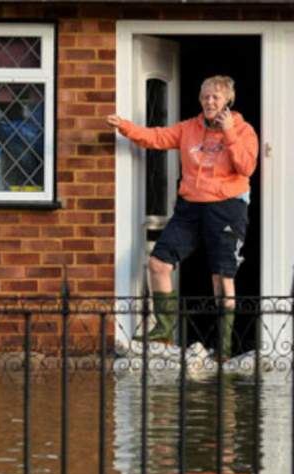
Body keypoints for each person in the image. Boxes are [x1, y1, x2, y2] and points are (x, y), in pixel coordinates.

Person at [107, 75, 259, 357]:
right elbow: (156, 137)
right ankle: (163, 331)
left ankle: (223, 347)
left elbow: (246, 167)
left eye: (215, 97)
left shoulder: (244, 130)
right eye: (205, 97)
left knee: (222, 277)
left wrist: (229, 133)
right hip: (190, 206)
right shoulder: (189, 128)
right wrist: (125, 127)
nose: (209, 101)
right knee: (158, 263)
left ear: (228, 100)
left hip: (227, 207)